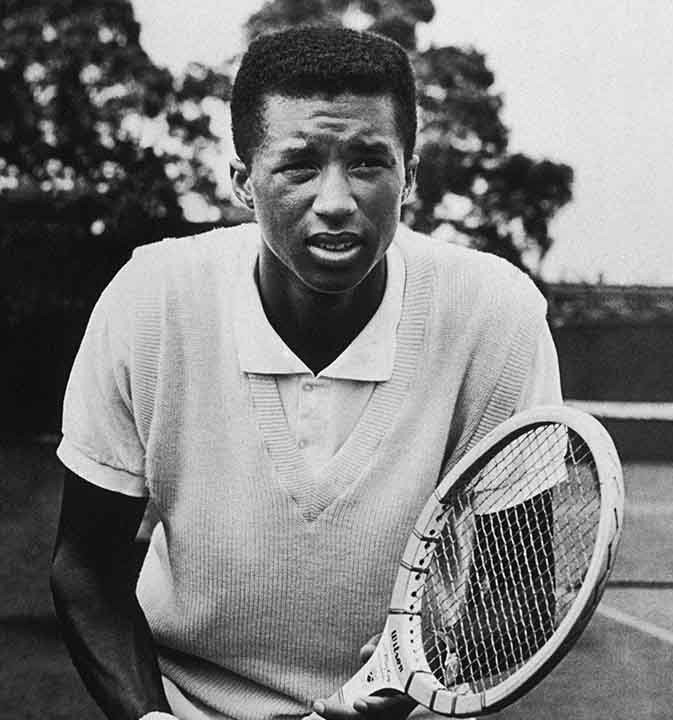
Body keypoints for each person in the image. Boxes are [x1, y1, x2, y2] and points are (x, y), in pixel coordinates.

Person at [51, 25, 562, 720]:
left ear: (409, 174)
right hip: (181, 700)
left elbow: (517, 597)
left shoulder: (496, 315)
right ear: (242, 181)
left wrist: (400, 693)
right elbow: (87, 569)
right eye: (298, 165)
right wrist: (153, 719)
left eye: (367, 163)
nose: (335, 200)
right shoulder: (152, 300)